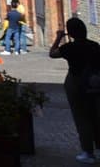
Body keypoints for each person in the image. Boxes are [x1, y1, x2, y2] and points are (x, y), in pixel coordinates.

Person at [51, 17, 100, 164]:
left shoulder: (69, 48)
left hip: (76, 85)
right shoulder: (94, 45)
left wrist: (59, 37)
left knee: (82, 118)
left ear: (71, 33)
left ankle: (88, 152)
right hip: (94, 85)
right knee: (96, 116)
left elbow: (52, 53)